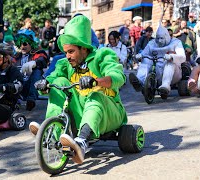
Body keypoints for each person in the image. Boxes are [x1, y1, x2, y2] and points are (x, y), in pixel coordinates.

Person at [30, 15, 127, 164]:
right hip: (81, 112)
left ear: (83, 48)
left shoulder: (102, 56)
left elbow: (118, 76)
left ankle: (81, 142)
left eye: (71, 51)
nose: (67, 56)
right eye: (66, 52)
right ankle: (51, 134)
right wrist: (44, 84)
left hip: (109, 113)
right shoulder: (65, 64)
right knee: (59, 82)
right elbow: (53, 77)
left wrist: (96, 82)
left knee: (95, 95)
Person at [129, 24, 186, 98]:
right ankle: (140, 81)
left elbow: (182, 57)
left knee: (170, 63)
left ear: (166, 36)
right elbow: (145, 53)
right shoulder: (152, 43)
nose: (159, 41)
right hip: (156, 67)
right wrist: (140, 55)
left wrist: (172, 57)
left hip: (173, 73)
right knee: (146, 60)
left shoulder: (176, 42)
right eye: (158, 38)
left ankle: (165, 85)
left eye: (161, 38)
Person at [13, 32, 48, 111]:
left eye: (25, 43)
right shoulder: (16, 56)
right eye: (20, 44)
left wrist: (35, 63)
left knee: (37, 71)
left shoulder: (37, 53)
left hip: (31, 84)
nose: (22, 46)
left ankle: (31, 100)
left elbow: (43, 59)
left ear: (31, 44)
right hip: (19, 84)